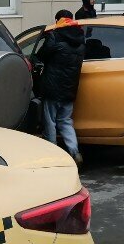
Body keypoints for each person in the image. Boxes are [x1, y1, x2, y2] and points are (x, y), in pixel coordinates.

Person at [36, 10, 86, 165]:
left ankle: (53, 153)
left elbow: (41, 55)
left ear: (58, 20)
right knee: (65, 121)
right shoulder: (80, 39)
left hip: (53, 88)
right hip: (70, 88)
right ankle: (74, 152)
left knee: (50, 121)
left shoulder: (55, 36)